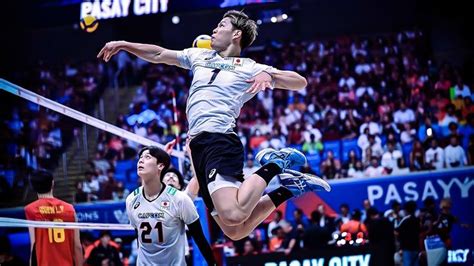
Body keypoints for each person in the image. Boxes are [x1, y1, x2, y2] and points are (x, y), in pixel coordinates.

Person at [99, 10, 330, 240]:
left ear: (236, 34)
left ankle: (276, 163)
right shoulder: (199, 56)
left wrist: (269, 77)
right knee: (235, 231)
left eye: (221, 26)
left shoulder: (249, 66)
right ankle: (290, 188)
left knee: (233, 213)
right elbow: (159, 54)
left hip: (218, 139)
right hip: (198, 146)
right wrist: (123, 44)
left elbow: (300, 82)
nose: (214, 29)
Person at [125, 146, 215, 265]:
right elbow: (139, 238)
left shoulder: (181, 198)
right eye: (140, 157)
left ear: (160, 166)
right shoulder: (131, 199)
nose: (141, 160)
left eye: (147, 157)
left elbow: (199, 238)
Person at [24, 170, 83, 266]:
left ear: (33, 187)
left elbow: (34, 245)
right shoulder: (69, 209)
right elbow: (77, 245)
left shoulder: (30, 210)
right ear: (52, 183)